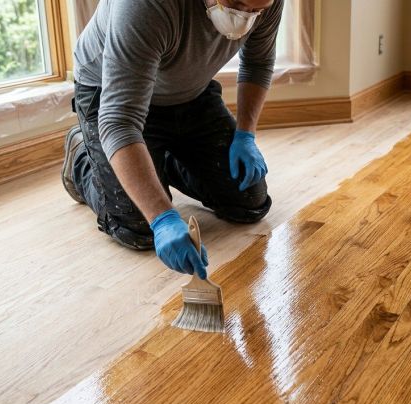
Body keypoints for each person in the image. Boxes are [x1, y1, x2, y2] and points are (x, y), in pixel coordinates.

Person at [61, 0, 283, 280]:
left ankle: (155, 160)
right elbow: (119, 121)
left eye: (255, 11)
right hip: (111, 96)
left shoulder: (266, 2)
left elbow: (257, 63)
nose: (244, 16)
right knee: (139, 225)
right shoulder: (144, 5)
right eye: (236, 3)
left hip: (189, 90)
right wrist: (161, 217)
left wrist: (245, 134)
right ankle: (82, 157)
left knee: (249, 201)